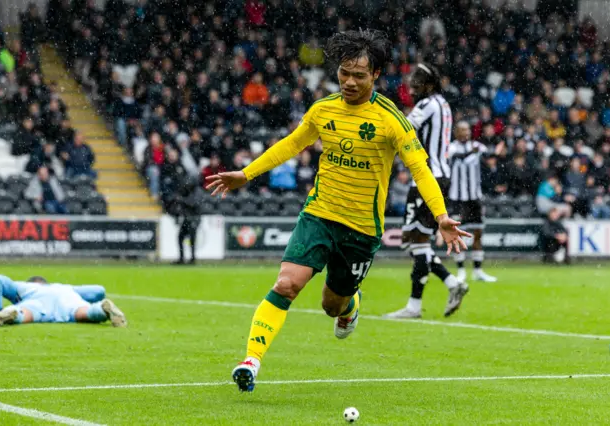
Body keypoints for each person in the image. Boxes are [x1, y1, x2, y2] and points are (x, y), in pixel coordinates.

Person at [206, 30, 470, 393]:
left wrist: (440, 215)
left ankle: (350, 306)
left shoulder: (392, 119)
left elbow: (420, 168)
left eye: (358, 75)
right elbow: (291, 144)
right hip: (319, 214)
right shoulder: (323, 109)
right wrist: (247, 173)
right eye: (344, 73)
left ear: (375, 75)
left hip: (361, 230)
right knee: (286, 284)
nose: (348, 81)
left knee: (333, 305)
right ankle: (251, 361)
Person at [385, 63, 468, 320]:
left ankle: (415, 306)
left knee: (416, 242)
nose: (412, 89)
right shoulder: (443, 104)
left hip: (427, 178)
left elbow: (402, 130)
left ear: (429, 85)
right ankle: (451, 284)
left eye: (416, 84)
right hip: (439, 176)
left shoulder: (426, 105)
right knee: (415, 242)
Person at [447, 121, 497, 282]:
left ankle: (477, 271)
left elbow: (489, 155)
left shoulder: (477, 146)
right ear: (456, 133)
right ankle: (461, 271)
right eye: (462, 130)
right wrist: (471, 152)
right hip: (457, 198)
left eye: (467, 129)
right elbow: (456, 157)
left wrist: (496, 153)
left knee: (478, 234)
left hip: (474, 197)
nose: (465, 133)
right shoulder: (451, 147)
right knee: (456, 235)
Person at [0, 273, 126, 327]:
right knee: (84, 312)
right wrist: (98, 299)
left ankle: (8, 313)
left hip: (36, 301)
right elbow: (98, 290)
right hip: (68, 298)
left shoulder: (25, 286)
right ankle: (101, 308)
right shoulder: (63, 287)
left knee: (25, 312)